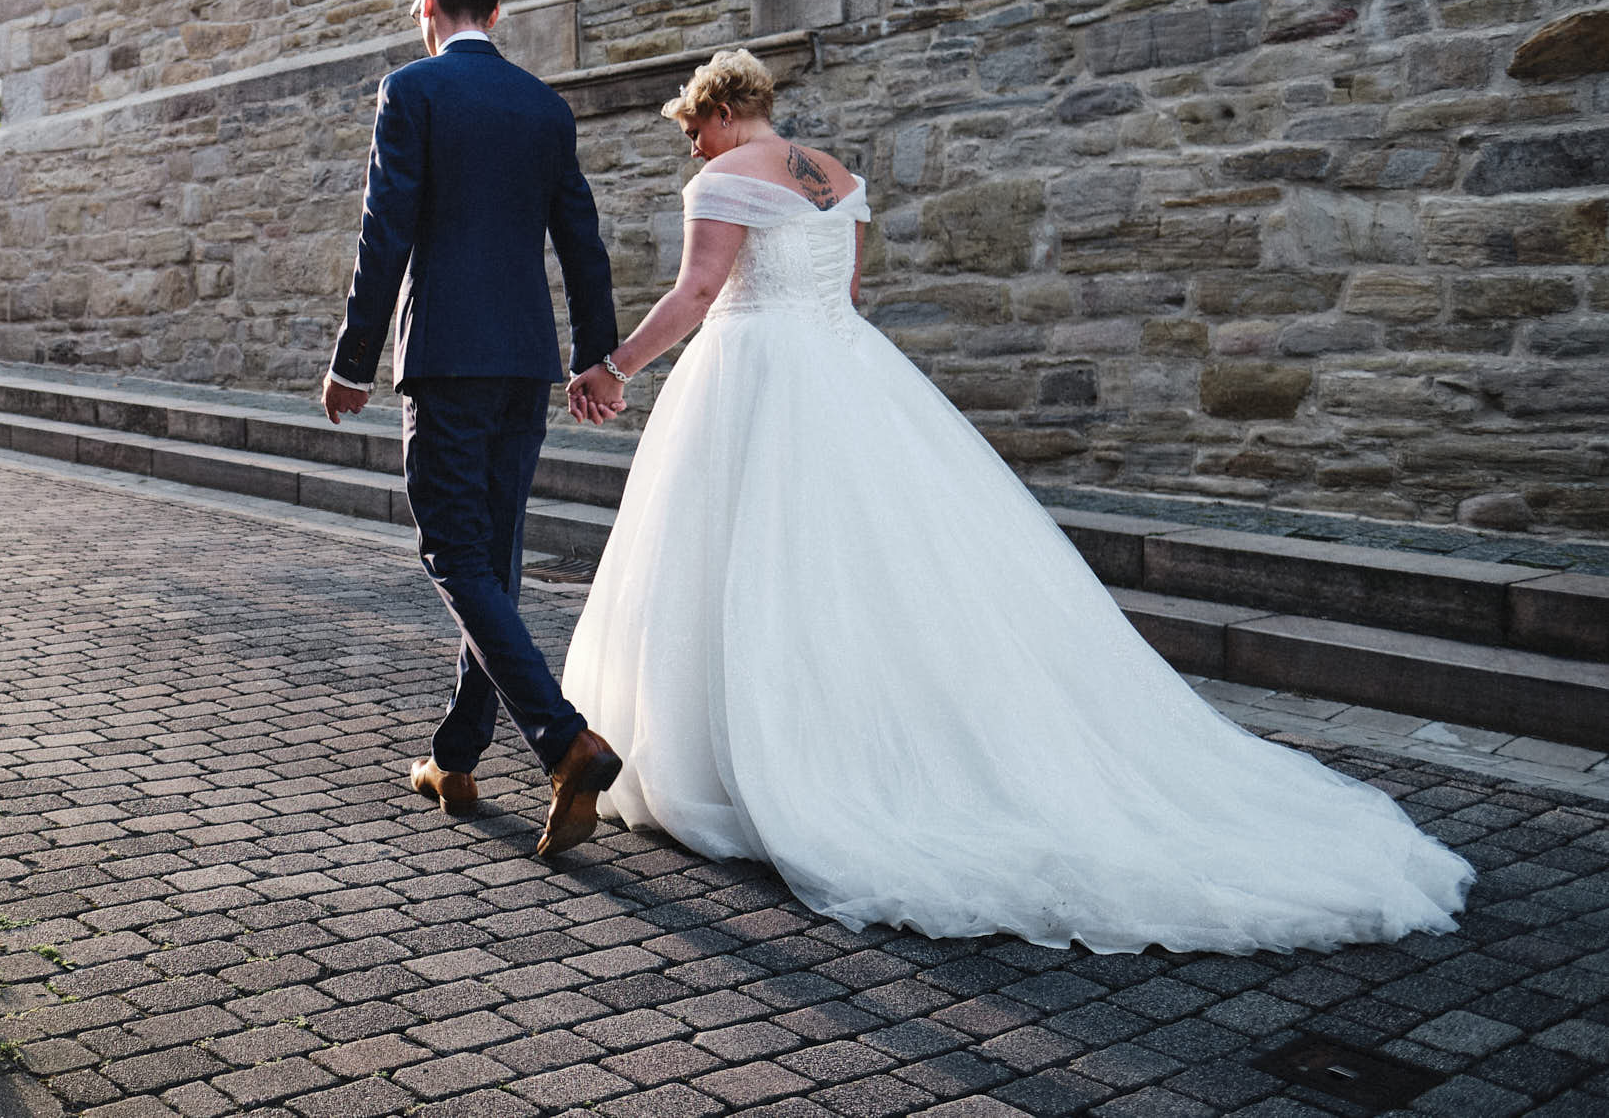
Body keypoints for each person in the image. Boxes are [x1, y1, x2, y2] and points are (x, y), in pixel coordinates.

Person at [556, 48, 1472, 952]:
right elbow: (849, 293)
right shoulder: (841, 179)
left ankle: (765, 754)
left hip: (754, 374)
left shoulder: (722, 181)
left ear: (717, 113)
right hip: (846, 373)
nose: (693, 151)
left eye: (691, 132)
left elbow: (701, 289)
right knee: (881, 566)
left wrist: (614, 365)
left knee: (766, 568)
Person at [323, 0, 626, 859]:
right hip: (525, 360)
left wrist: (352, 358)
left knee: (454, 548)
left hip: (447, 357)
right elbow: (584, 241)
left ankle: (563, 738)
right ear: (497, 13)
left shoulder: (412, 92)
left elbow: (386, 232)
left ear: (427, 6)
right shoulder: (544, 105)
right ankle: (456, 755)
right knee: (489, 555)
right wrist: (594, 357)